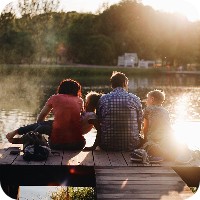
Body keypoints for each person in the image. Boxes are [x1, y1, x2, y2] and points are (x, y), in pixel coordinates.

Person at [6, 79, 86, 150]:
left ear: (61, 88)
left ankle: (18, 133)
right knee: (50, 125)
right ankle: (21, 136)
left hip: (56, 145)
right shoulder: (80, 100)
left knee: (43, 125)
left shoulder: (54, 98)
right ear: (77, 90)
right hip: (78, 145)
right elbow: (80, 119)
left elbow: (41, 118)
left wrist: (42, 129)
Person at [140, 89, 192, 163]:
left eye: (147, 99)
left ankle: (160, 155)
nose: (146, 102)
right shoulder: (165, 111)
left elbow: (145, 128)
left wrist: (144, 140)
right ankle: (176, 154)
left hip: (155, 138)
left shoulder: (148, 110)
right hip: (168, 138)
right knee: (172, 146)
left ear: (152, 99)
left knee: (149, 146)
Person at [97, 71, 143, 151]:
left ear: (112, 85)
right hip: (131, 145)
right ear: (125, 83)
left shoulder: (104, 99)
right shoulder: (134, 99)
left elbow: (99, 119)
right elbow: (140, 121)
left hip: (107, 145)